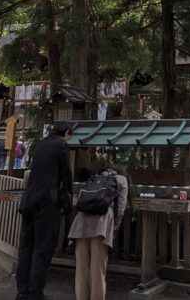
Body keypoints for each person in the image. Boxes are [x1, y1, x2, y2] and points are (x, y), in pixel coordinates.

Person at [15, 121, 73, 300]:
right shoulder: (61, 146)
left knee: (26, 247)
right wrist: (69, 194)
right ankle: (35, 293)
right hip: (46, 200)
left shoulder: (41, 145)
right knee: (42, 248)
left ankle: (22, 291)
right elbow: (66, 174)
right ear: (67, 133)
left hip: (29, 199)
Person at [68, 162, 128, 300]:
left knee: (81, 266)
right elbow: (121, 207)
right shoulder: (122, 180)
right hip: (102, 222)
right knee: (97, 267)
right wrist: (115, 227)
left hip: (81, 220)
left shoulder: (96, 177)